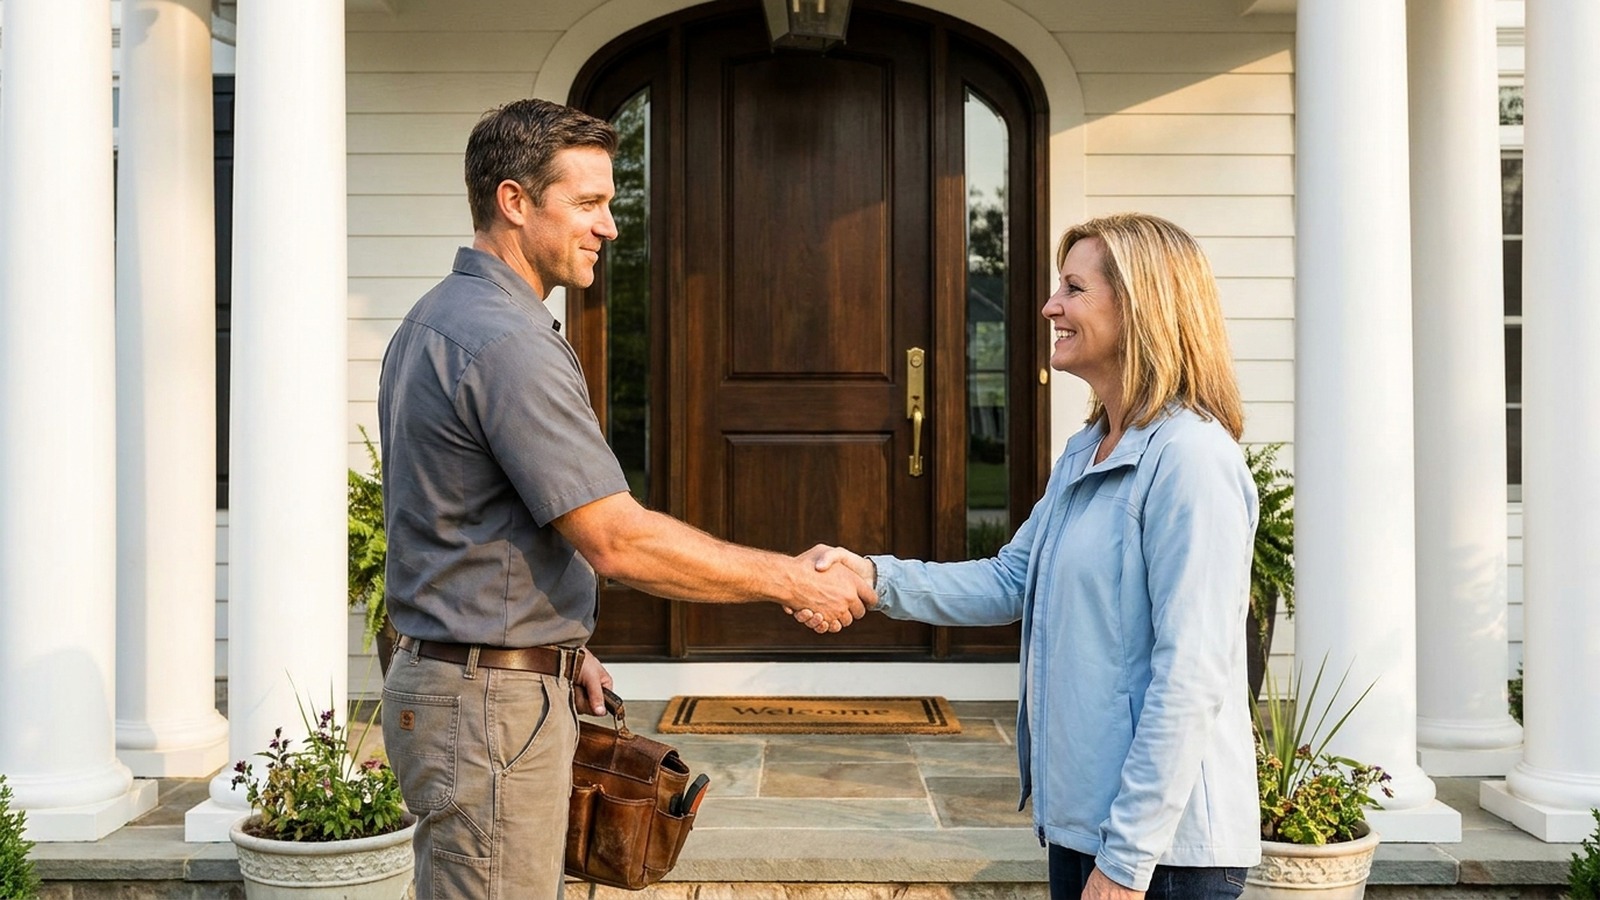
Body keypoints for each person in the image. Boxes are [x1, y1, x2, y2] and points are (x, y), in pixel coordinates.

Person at [377, 98, 875, 900]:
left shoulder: (435, 319)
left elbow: (466, 521)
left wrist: (561, 648)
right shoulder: (506, 342)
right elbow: (616, 539)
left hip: (473, 687)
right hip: (487, 710)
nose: (610, 226)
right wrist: (794, 579)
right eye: (588, 203)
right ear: (514, 201)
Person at [808, 213, 1261, 900]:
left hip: (1165, 855)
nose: (1051, 306)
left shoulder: (1191, 460)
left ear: (1139, 305)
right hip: (1086, 831)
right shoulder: (1090, 450)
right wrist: (873, 578)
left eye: (1073, 289)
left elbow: (1190, 674)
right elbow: (1014, 578)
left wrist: (1128, 858)